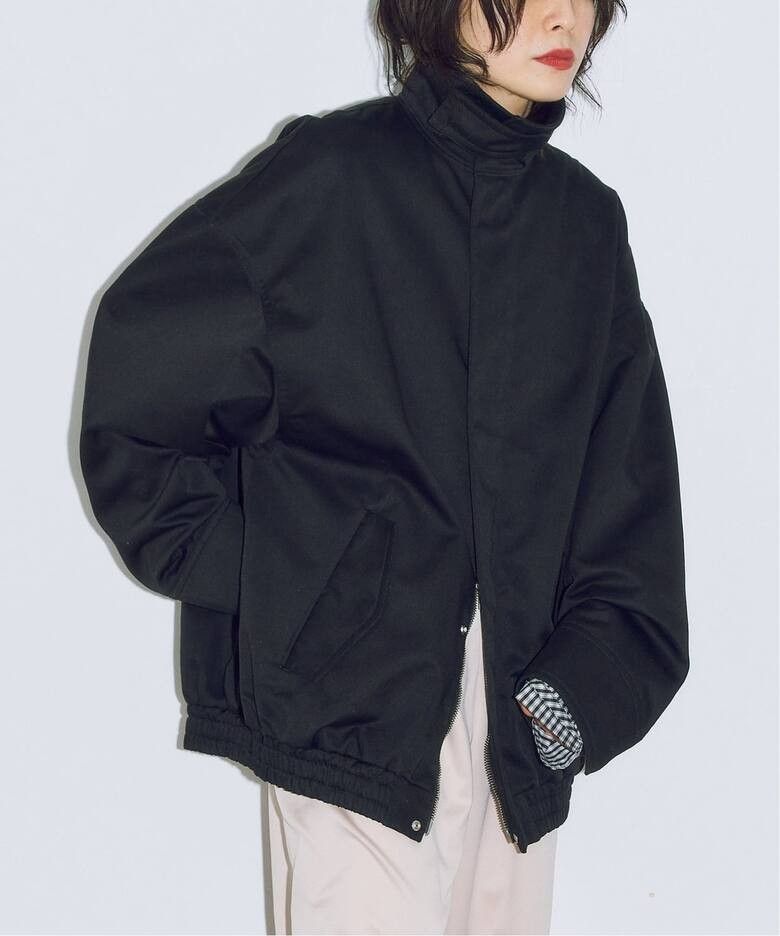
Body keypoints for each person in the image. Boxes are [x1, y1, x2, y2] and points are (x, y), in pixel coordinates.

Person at [79, 0, 689, 933]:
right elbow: (139, 403)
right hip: (347, 723)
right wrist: (293, 588)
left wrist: (576, 693)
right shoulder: (328, 180)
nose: (561, 15)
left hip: (520, 730)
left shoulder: (585, 230)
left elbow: (630, 505)